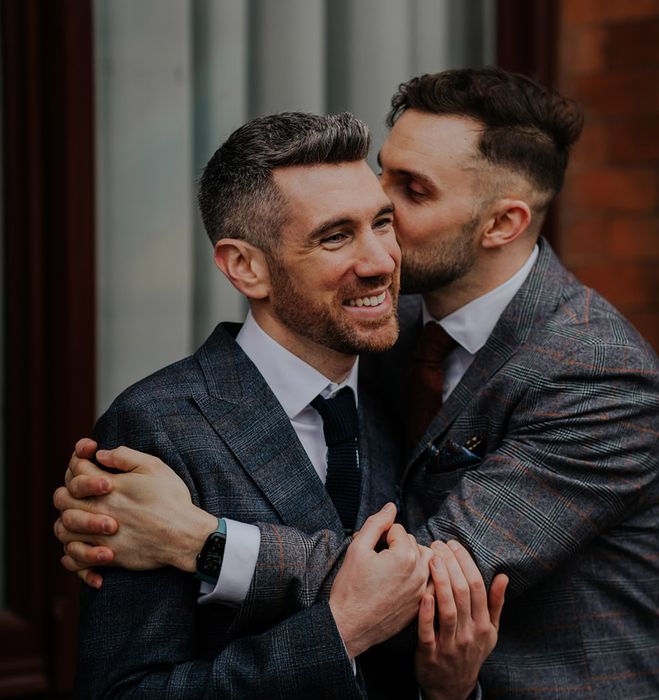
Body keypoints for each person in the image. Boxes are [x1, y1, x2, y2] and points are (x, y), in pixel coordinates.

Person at [56, 68, 659, 698]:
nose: (380, 229)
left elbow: (421, 576)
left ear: (501, 224)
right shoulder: (377, 331)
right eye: (382, 175)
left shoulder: (600, 373)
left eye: (409, 193)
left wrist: (202, 541)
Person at [64, 110, 506, 699]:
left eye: (382, 222)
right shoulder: (157, 428)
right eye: (335, 236)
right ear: (246, 267)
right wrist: (338, 633)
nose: (380, 261)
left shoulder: (403, 393)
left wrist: (448, 692)